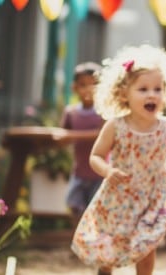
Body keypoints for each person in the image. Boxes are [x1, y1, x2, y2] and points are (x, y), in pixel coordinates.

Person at [70, 44, 166, 275]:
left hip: (152, 198)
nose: (152, 94)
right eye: (143, 89)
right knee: (109, 250)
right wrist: (107, 171)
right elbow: (96, 156)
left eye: (158, 88)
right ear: (124, 93)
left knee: (146, 249)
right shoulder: (116, 126)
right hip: (118, 199)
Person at [59, 62, 105, 227]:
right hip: (79, 172)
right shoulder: (71, 112)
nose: (89, 90)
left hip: (100, 173)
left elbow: (100, 134)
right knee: (75, 206)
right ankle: (78, 244)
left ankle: (95, 246)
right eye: (83, 85)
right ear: (74, 88)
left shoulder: (103, 113)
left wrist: (71, 136)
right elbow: (62, 135)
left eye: (94, 85)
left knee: (98, 211)